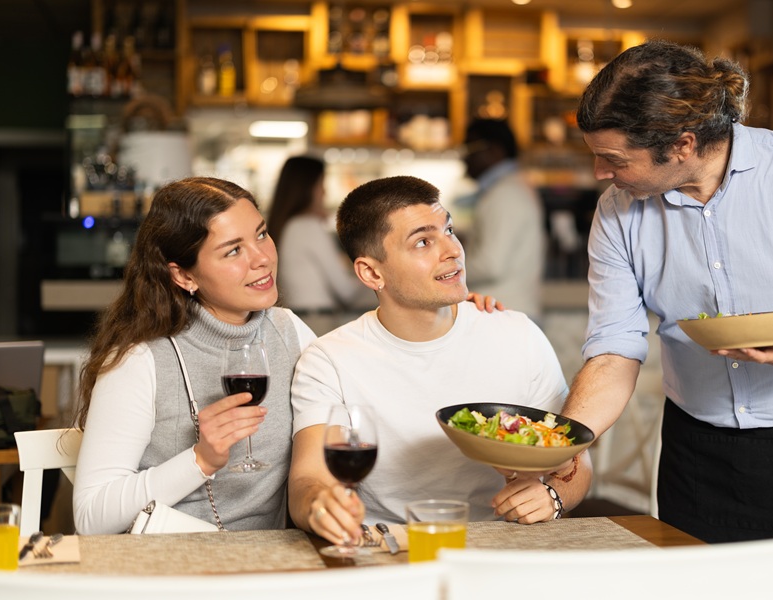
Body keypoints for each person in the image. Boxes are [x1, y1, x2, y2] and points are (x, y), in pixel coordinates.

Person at [560, 40, 773, 600]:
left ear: (682, 144)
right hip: (695, 454)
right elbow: (615, 346)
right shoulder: (617, 213)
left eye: (615, 160)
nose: (601, 173)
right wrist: (564, 444)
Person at [287, 175, 591, 547]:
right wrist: (321, 505)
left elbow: (576, 462)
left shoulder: (516, 333)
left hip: (504, 542)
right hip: (387, 547)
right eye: (423, 241)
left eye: (448, 229)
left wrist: (553, 498)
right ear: (371, 272)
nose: (452, 250)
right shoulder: (330, 358)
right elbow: (308, 480)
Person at [73, 176, 317, 534]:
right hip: (173, 572)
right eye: (233, 250)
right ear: (184, 275)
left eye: (261, 234)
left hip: (270, 569)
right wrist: (200, 459)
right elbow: (90, 517)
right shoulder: (139, 360)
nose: (262, 259)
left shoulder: (289, 331)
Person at [266, 155, 374, 332]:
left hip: (301, 319)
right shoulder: (307, 225)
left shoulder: (289, 224)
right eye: (321, 185)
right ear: (306, 189)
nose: (325, 192)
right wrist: (380, 276)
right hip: (317, 322)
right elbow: (345, 290)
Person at [459, 118, 546, 322]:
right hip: (505, 311)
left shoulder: (506, 194)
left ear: (495, 150)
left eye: (469, 148)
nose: (464, 158)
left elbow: (491, 264)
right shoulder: (511, 189)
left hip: (501, 313)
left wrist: (442, 270)